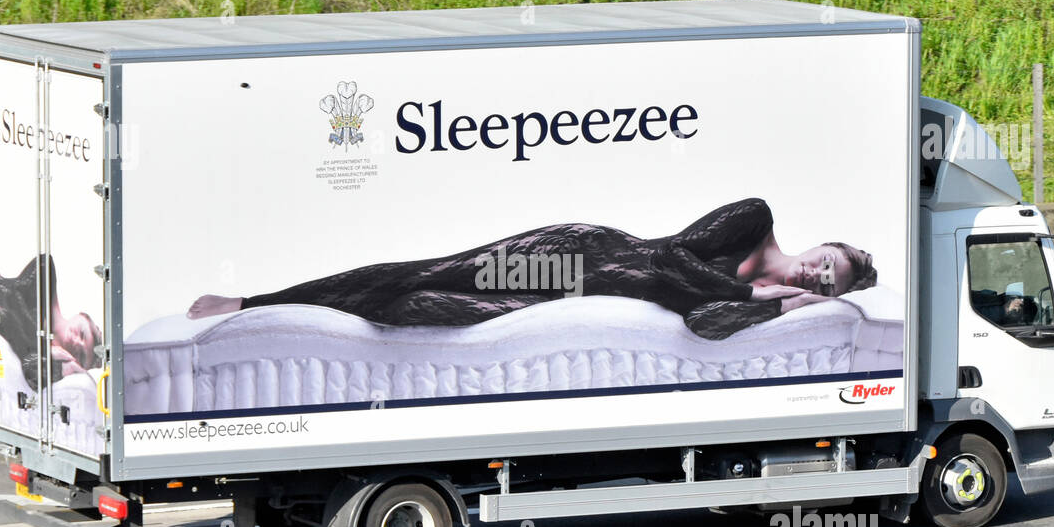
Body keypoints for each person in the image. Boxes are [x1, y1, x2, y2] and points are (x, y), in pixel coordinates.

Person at [187, 197, 877, 340]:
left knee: (423, 307)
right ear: (824, 244)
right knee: (432, 270)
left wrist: (782, 305)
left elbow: (701, 321)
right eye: (827, 267)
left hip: (563, 299)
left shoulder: (760, 296)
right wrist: (748, 286)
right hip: (577, 256)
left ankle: (304, 320)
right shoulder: (754, 219)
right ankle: (251, 304)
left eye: (829, 287)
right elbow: (669, 259)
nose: (820, 277)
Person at [0, 254, 103, 392]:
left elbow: (32, 375)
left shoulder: (42, 359)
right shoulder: (44, 274)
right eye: (82, 334)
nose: (76, 342)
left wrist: (57, 366)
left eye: (81, 354)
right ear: (80, 316)